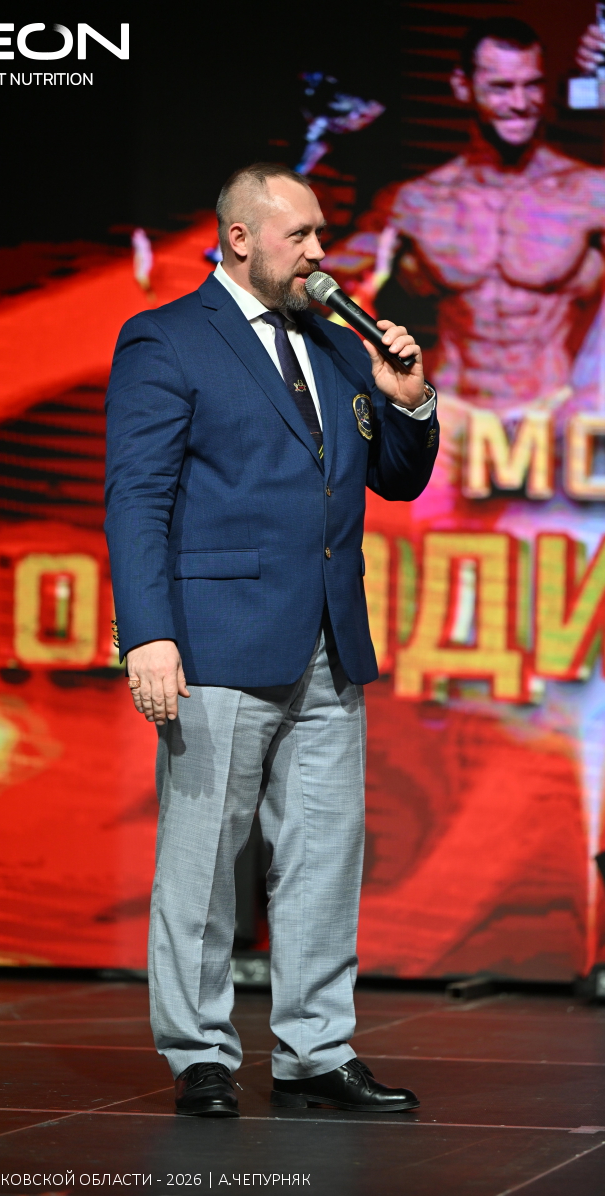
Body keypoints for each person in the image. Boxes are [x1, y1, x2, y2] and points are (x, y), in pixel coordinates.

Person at [104, 163, 439, 1117]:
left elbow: (396, 480)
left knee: (325, 856)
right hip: (215, 640)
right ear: (240, 238)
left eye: (322, 233)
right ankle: (200, 1053)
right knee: (205, 861)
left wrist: (409, 399)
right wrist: (149, 633)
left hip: (327, 637)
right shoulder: (168, 337)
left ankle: (315, 1051)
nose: (320, 253)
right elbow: (137, 495)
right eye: (302, 237)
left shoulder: (334, 341)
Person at [329, 16, 605, 418]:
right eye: (501, 87)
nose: (520, 103)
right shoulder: (420, 201)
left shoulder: (589, 193)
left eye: (531, 85)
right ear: (462, 86)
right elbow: (317, 277)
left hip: (548, 416)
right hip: (452, 417)